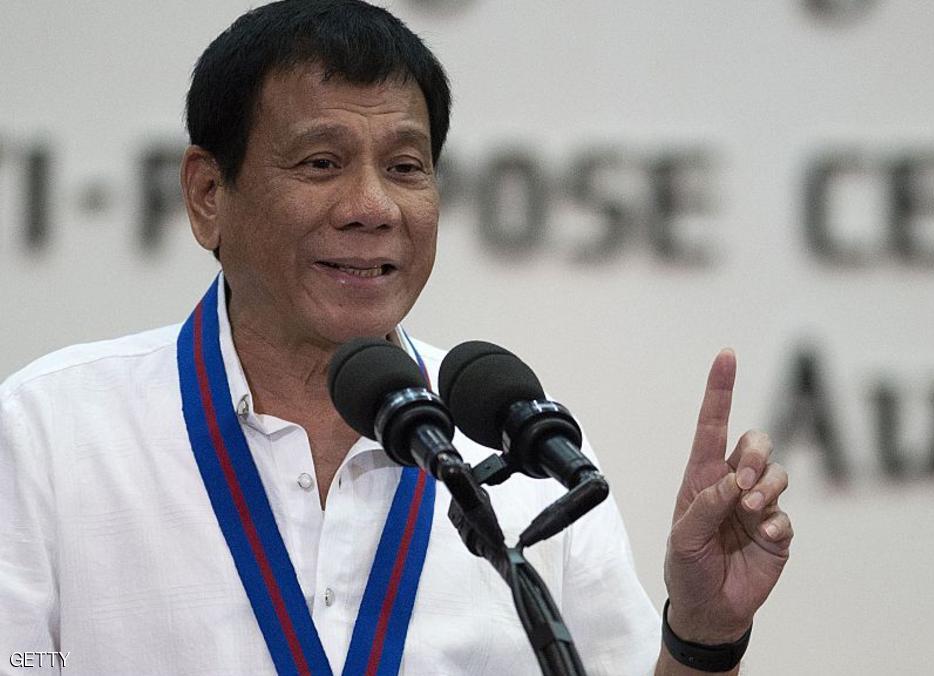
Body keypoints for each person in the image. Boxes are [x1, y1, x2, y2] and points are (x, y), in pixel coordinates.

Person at [0, 1, 792, 674]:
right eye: (321, 162)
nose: (372, 206)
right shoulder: (50, 434)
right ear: (209, 194)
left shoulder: (525, 458)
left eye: (407, 167)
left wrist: (700, 639)